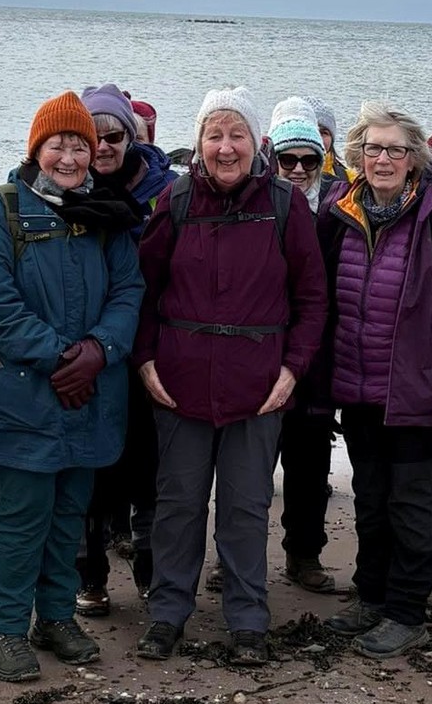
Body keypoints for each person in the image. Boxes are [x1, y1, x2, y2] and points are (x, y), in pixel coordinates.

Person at [133, 87, 327, 665]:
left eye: (236, 134)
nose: (225, 147)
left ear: (256, 142)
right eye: (214, 135)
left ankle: (247, 620)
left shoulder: (286, 206)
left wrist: (294, 368)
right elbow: (143, 289)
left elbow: (313, 298)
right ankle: (167, 614)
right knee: (178, 504)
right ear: (198, 141)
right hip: (179, 383)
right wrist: (145, 359)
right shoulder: (175, 200)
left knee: (246, 507)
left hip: (259, 387)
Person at [0, 91, 145, 682]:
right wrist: (62, 357)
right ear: (36, 148)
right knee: (24, 517)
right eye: (58, 145)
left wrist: (99, 351)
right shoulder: (0, 212)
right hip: (24, 396)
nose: (69, 157)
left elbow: (129, 291)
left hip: (90, 393)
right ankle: (4, 628)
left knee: (70, 515)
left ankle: (56, 617)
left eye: (80, 146)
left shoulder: (105, 215)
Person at [317, 102, 432, 657]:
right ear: (358, 155)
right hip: (358, 393)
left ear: (414, 158)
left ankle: (406, 613)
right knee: (369, 502)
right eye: (374, 149)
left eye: (395, 149)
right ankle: (371, 598)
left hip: (419, 399)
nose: (384, 159)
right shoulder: (340, 217)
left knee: (412, 509)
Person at [74, 83, 173, 617]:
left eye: (114, 135)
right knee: (90, 469)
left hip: (153, 347)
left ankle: (152, 571)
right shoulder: (66, 190)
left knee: (151, 469)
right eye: (91, 137)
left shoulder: (168, 192)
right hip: (87, 351)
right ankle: (89, 576)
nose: (103, 146)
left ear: (131, 137)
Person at [267, 106, 345, 593]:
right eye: (288, 159)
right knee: (248, 467)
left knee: (311, 464)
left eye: (309, 160)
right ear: (271, 158)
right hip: (260, 351)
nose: (298, 169)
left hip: (317, 354)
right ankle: (234, 556)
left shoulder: (338, 210)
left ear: (323, 159)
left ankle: (305, 554)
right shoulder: (257, 200)